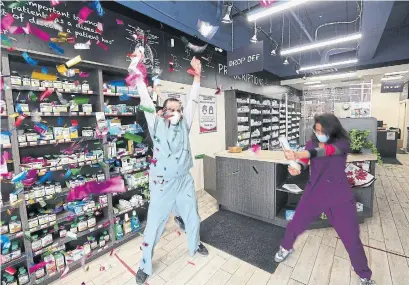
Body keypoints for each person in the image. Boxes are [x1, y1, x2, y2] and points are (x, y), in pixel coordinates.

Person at [129, 52, 208, 285]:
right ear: (162, 111)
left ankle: (195, 244)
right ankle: (144, 265)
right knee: (154, 225)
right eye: (170, 108)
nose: (174, 111)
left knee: (193, 215)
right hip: (162, 182)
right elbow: (144, 97)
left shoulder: (186, 123)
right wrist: (137, 69)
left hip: (183, 179)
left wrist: (197, 77)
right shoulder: (155, 124)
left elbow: (193, 99)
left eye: (177, 108)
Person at [274, 114, 375, 285]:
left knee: (351, 237)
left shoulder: (342, 144)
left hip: (339, 197)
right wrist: (297, 166)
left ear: (331, 130)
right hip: (314, 193)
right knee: (295, 224)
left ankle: (364, 275)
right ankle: (285, 248)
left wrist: (297, 153)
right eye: (316, 129)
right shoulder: (311, 143)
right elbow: (306, 160)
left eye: (321, 130)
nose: (318, 132)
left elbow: (323, 152)